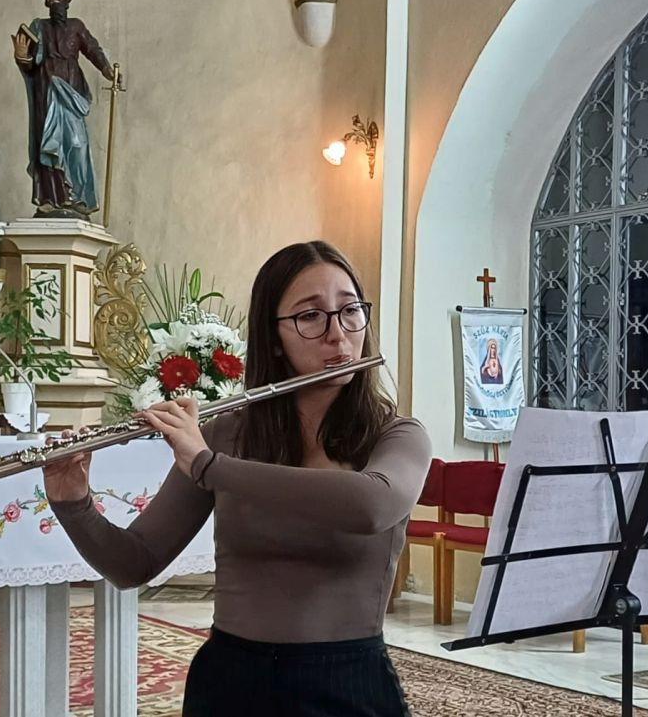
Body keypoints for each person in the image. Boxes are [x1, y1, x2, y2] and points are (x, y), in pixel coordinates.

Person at [45, 240, 432, 716]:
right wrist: (73, 503)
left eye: (350, 310)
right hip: (230, 681)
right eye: (311, 316)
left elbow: (371, 506)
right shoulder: (225, 434)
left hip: (347, 683)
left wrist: (210, 466)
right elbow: (134, 563)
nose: (338, 334)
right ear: (274, 338)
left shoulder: (397, 436)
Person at [12, 0, 119, 218]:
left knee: (76, 143)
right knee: (48, 144)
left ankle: (78, 196)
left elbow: (92, 49)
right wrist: (22, 55)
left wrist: (107, 69)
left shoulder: (76, 26)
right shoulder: (39, 27)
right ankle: (52, 198)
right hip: (46, 90)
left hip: (71, 90)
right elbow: (30, 65)